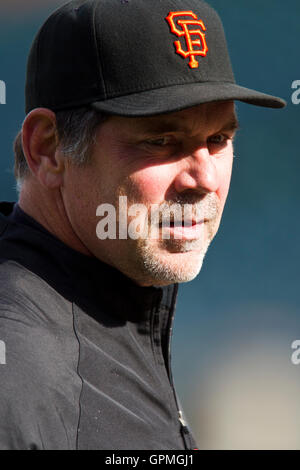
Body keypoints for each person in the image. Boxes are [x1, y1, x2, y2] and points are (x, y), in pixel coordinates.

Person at [0, 0, 285, 450]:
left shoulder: (118, 303)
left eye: (218, 140)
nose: (204, 179)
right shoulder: (21, 373)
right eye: (162, 141)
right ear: (49, 150)